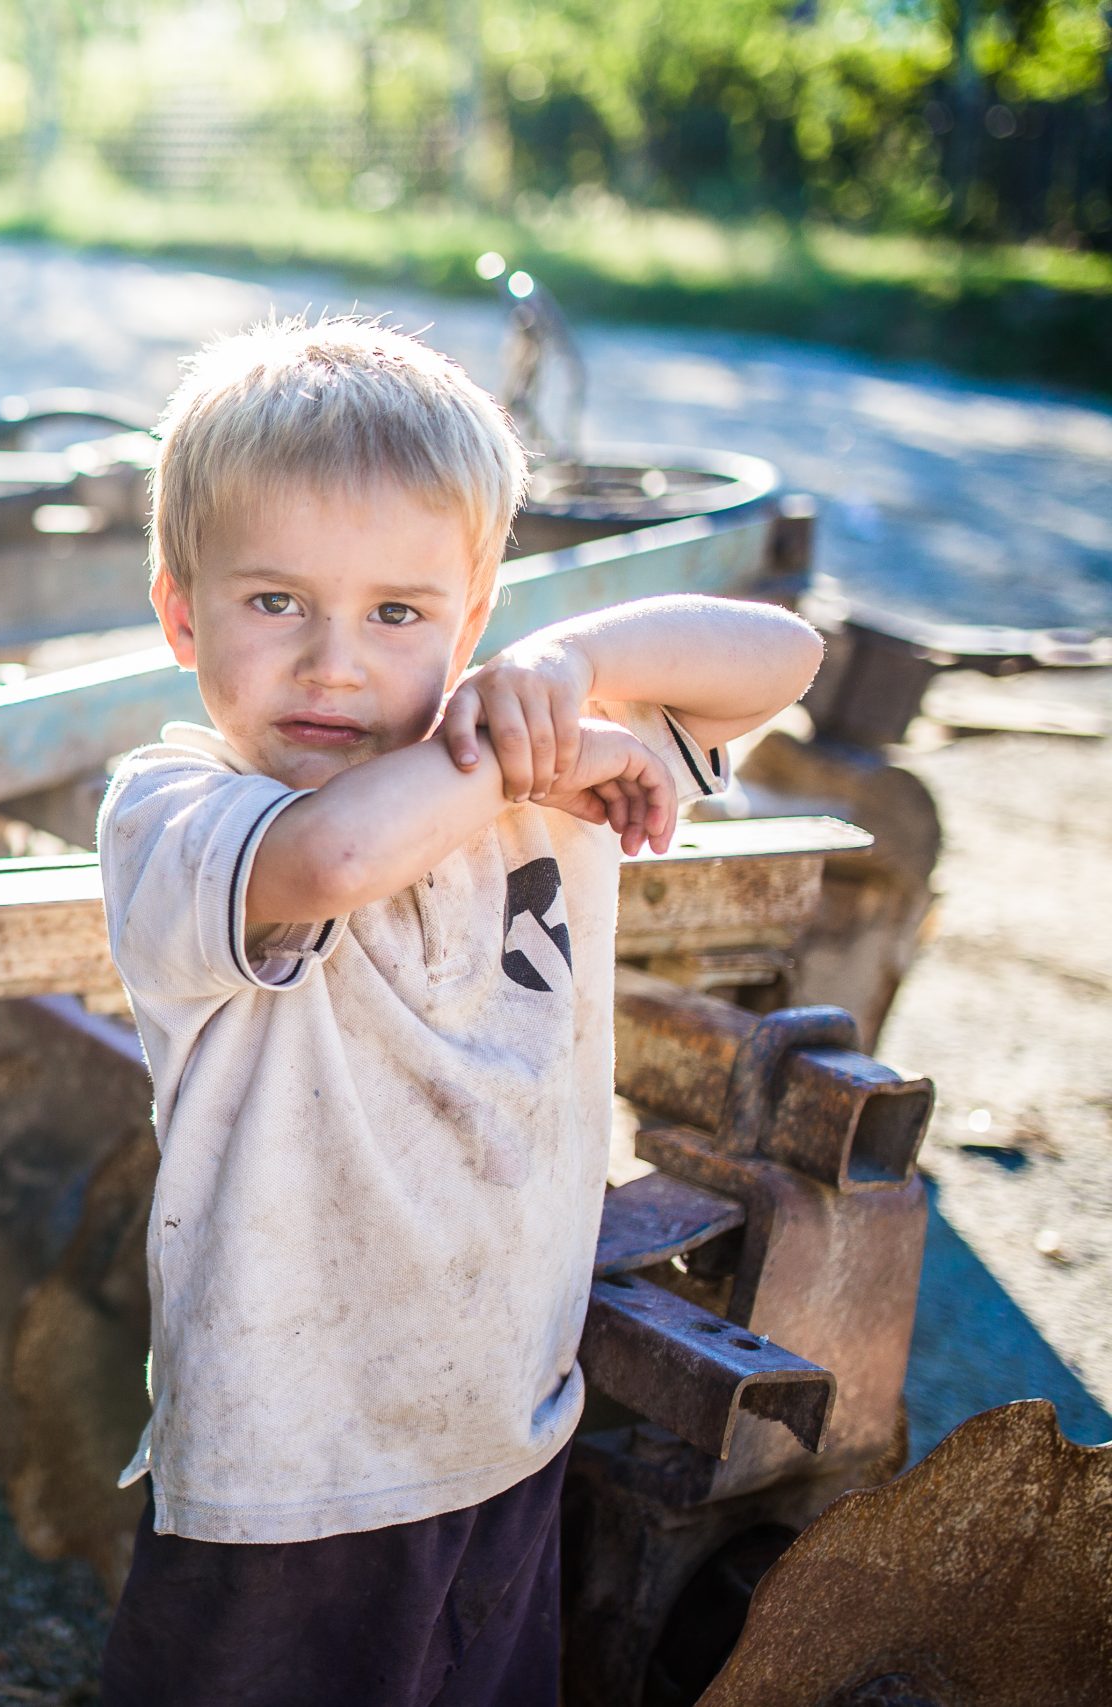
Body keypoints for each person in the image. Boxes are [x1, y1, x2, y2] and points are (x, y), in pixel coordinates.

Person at [92, 316, 823, 1707]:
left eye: (397, 613)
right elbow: (345, 858)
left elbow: (784, 654)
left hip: (502, 1424)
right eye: (272, 603)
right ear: (180, 608)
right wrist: (538, 753)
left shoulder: (528, 742)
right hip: (284, 1476)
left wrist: (567, 666)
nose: (333, 664)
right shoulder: (174, 814)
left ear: (467, 616)